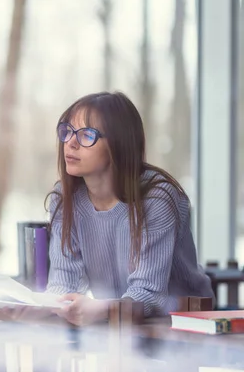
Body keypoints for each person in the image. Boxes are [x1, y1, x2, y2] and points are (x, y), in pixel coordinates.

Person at [46, 91, 213, 326]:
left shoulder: (157, 199)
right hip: (120, 323)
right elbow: (62, 284)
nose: (70, 143)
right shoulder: (65, 199)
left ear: (118, 144)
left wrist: (100, 308)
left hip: (184, 324)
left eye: (86, 135)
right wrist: (53, 304)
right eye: (67, 132)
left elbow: (149, 295)